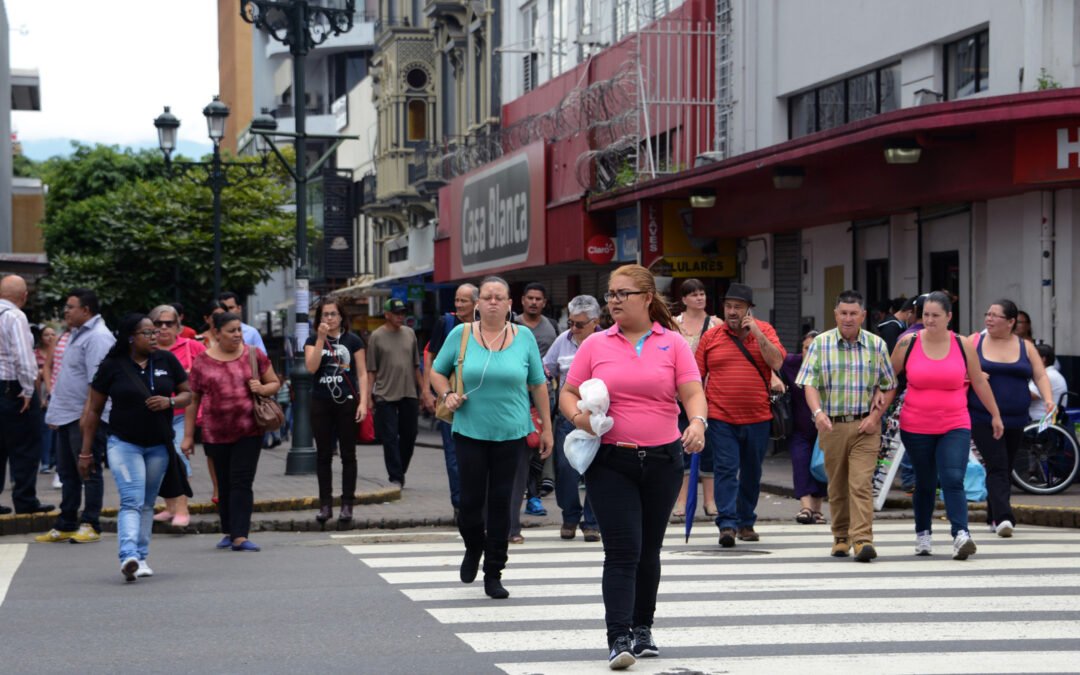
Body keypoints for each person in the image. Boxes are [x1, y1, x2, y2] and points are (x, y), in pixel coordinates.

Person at [558, 264, 707, 669]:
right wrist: (579, 419)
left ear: (646, 297)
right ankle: (618, 635)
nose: (615, 301)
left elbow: (692, 391)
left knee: (649, 551)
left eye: (622, 293)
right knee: (623, 550)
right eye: (610, 294)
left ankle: (643, 628)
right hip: (611, 461)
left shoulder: (672, 343)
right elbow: (567, 393)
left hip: (663, 460)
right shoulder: (595, 344)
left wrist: (697, 422)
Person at [430, 276, 553, 601]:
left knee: (501, 504)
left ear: (510, 304)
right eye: (487, 297)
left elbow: (538, 384)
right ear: (478, 303)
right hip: (470, 431)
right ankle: (473, 547)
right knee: (470, 504)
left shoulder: (523, 336)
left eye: (500, 297)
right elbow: (436, 371)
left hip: (512, 433)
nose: (494, 302)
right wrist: (446, 395)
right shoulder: (462, 334)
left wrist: (547, 430)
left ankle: (494, 571)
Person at [892, 291, 1003, 559]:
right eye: (926, 315)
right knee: (926, 481)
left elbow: (978, 381)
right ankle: (923, 534)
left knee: (953, 477)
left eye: (935, 316)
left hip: (955, 422)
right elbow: (888, 380)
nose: (929, 320)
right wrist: (875, 412)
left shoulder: (963, 345)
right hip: (916, 424)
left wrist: (995, 415)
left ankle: (961, 534)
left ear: (949, 317)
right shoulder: (908, 343)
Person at [81, 314, 193, 581]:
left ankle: (141, 557)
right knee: (131, 499)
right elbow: (93, 410)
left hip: (158, 446)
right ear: (131, 337)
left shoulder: (167, 360)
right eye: (148, 333)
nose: (155, 337)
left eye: (155, 332)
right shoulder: (112, 366)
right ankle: (128, 555)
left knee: (146, 503)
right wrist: (85, 452)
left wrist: (170, 402)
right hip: (124, 443)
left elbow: (188, 394)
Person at [796, 290, 897, 563]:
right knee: (838, 486)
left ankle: (863, 539)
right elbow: (809, 384)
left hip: (866, 425)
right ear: (835, 314)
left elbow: (889, 386)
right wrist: (817, 413)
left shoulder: (876, 345)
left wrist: (875, 417)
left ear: (863, 316)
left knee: (861, 485)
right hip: (832, 426)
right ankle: (841, 536)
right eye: (844, 313)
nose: (848, 318)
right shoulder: (821, 344)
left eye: (854, 314)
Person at [695, 282, 785, 547]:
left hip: (758, 418)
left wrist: (757, 333)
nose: (732, 311)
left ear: (749, 310)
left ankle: (746, 521)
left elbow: (777, 362)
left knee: (751, 472)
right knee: (725, 468)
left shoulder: (765, 331)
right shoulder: (711, 337)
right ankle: (727, 524)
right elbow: (696, 376)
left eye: (738, 307)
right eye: (728, 306)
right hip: (721, 417)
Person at [182, 312, 280, 552]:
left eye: (239, 330)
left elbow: (275, 383)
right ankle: (228, 530)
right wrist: (187, 436)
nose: (238, 335)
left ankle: (240, 535)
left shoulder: (253, 355)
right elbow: (193, 400)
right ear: (216, 333)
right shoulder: (203, 362)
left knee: (242, 482)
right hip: (215, 432)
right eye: (231, 331)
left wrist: (262, 388)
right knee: (223, 484)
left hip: (249, 429)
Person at [970, 299, 1053, 538]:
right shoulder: (974, 341)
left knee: (1005, 466)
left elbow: (1040, 375)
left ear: (1011, 322)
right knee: (997, 464)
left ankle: (991, 513)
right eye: (987, 314)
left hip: (1017, 418)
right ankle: (1004, 517)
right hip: (983, 416)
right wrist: (971, 373)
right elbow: (954, 367)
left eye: (995, 315)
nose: (989, 318)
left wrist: (1048, 399)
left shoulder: (1025, 346)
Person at [38, 289, 114, 544]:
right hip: (67, 414)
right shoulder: (74, 334)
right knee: (68, 472)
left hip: (85, 417)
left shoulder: (98, 337)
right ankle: (67, 522)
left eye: (71, 307)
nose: (66, 311)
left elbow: (98, 382)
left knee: (88, 470)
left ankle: (91, 523)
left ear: (86, 310)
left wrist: (87, 418)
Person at [543, 294, 601, 542]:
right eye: (572, 323)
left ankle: (592, 522)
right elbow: (546, 370)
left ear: (594, 322)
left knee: (597, 472)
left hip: (599, 418)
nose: (574, 328)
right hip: (568, 415)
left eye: (580, 324)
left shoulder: (606, 341)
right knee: (566, 470)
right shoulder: (562, 341)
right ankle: (570, 516)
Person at [304, 297, 368, 523]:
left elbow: (361, 373)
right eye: (325, 315)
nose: (329, 318)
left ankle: (347, 504)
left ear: (341, 317)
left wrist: (364, 403)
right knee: (323, 454)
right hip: (321, 400)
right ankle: (325, 504)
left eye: (333, 314)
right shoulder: (313, 340)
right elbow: (311, 368)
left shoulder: (353, 341)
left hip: (347, 401)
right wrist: (321, 338)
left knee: (348, 454)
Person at [421, 283, 478, 519]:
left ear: (476, 302)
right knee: (453, 455)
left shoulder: (485, 327)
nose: (458, 305)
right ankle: (459, 505)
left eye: (464, 300)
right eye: (456, 300)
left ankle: (477, 503)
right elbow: (431, 357)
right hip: (449, 399)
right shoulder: (445, 323)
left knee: (477, 456)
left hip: (477, 401)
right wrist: (427, 390)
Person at [0, 275, 55, 516]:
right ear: (23, 296)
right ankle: (25, 500)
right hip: (12, 389)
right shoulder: (15, 316)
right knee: (25, 446)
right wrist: (28, 390)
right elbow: (23, 357)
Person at [148, 304, 205, 527]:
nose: (163, 328)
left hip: (183, 413)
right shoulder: (147, 350)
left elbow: (209, 370)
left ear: (178, 326)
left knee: (179, 456)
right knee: (159, 459)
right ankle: (170, 507)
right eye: (158, 323)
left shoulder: (192, 347)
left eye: (169, 323)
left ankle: (182, 509)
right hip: (156, 414)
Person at [672, 278, 721, 519]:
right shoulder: (673, 324)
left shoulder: (716, 324)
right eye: (694, 294)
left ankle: (710, 501)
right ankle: (681, 501)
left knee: (708, 447)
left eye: (702, 293)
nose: (699, 298)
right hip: (678, 394)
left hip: (709, 393)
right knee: (682, 445)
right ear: (684, 299)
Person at [510, 282, 559, 524]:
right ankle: (516, 497)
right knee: (521, 449)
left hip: (542, 397)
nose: (533, 302)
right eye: (530, 298)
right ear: (522, 300)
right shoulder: (513, 326)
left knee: (540, 446)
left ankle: (535, 496)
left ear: (544, 303)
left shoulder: (552, 328)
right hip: (516, 396)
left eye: (538, 299)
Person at [366, 298, 423, 488]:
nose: (401, 317)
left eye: (403, 313)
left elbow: (416, 366)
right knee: (389, 437)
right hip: (384, 393)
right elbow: (371, 370)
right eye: (397, 313)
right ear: (387, 314)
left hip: (408, 392)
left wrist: (424, 391)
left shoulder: (410, 334)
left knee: (410, 435)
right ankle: (395, 477)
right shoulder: (376, 336)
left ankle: (400, 470)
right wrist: (367, 398)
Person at [781, 330, 826, 524]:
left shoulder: (829, 367)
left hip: (824, 425)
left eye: (815, 348)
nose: (810, 352)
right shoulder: (792, 363)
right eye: (807, 348)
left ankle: (817, 509)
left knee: (820, 465)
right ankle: (806, 508)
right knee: (801, 462)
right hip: (798, 426)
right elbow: (775, 362)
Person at [34, 325, 57, 473]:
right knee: (45, 429)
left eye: (53, 334)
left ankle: (52, 460)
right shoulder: (35, 354)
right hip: (41, 393)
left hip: (55, 393)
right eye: (46, 335)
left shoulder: (60, 352)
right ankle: (45, 461)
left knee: (55, 430)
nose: (50, 337)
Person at [1030, 343, 1067, 421]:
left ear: (1043, 359)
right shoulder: (1053, 373)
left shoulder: (1047, 375)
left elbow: (1032, 395)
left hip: (1039, 420)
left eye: (1032, 357)